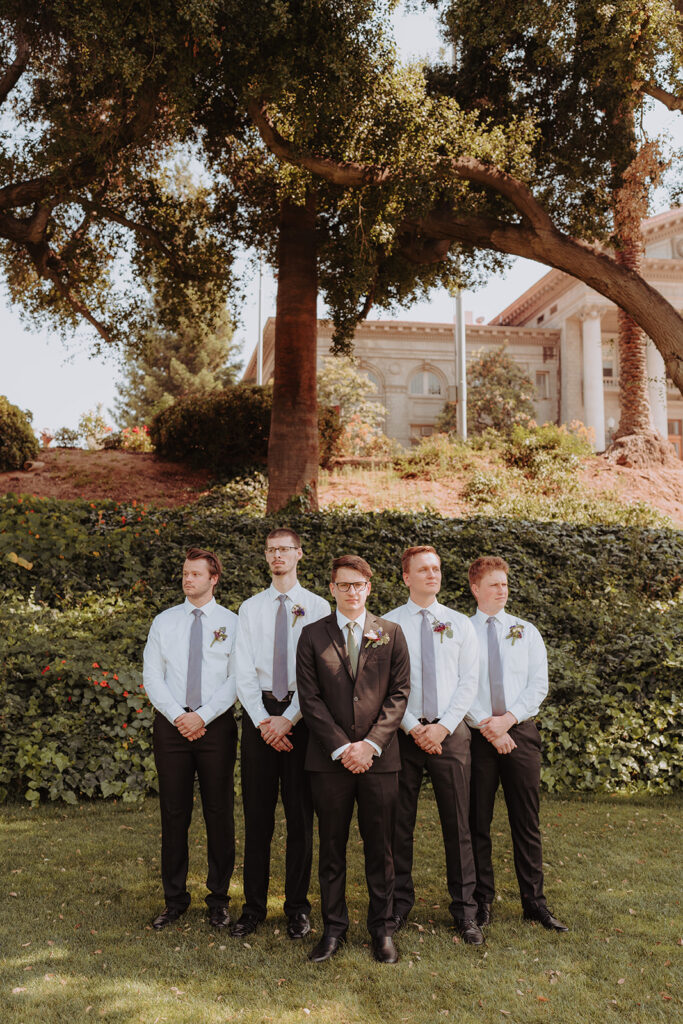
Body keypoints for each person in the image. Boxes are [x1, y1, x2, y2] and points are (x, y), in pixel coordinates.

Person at [296, 554, 411, 964]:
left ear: (369, 588)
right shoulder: (312, 635)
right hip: (329, 761)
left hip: (380, 760)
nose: (351, 592)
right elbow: (309, 699)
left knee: (381, 848)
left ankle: (381, 930)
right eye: (343, 585)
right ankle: (333, 928)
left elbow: (399, 695)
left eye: (358, 585)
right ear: (332, 589)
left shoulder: (391, 633)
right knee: (331, 846)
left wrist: (370, 745)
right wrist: (344, 748)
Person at [231, 528, 330, 940]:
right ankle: (253, 908)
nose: (277, 556)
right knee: (257, 818)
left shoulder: (319, 606)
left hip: (302, 719)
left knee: (300, 818)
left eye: (285, 550)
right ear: (265, 556)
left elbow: (321, 672)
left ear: (299, 554)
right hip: (260, 720)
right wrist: (262, 721)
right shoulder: (250, 608)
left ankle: (297, 908)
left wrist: (289, 718)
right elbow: (242, 668)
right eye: (271, 550)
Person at [383, 546, 482, 944]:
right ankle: (397, 904)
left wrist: (442, 727)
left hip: (451, 734)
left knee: (458, 823)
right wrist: (411, 727)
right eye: (423, 570)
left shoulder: (460, 624)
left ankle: (465, 911)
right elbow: (383, 685)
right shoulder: (386, 624)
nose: (432, 575)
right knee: (397, 824)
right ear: (406, 577)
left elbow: (468, 682)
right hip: (402, 734)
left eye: (437, 569)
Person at [466, 556, 568, 932]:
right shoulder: (461, 631)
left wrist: (507, 721)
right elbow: (460, 684)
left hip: (520, 732)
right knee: (478, 820)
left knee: (526, 820)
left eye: (505, 584)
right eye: (494, 584)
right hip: (476, 736)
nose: (502, 590)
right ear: (476, 588)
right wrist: (487, 726)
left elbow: (538, 685)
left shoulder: (527, 631)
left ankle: (534, 903)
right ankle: (481, 901)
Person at [143, 547, 238, 930]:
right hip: (171, 726)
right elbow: (152, 676)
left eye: (196, 574)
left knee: (219, 813)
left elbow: (237, 679)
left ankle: (218, 899)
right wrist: (181, 717)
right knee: (174, 812)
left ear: (213, 579)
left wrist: (202, 716)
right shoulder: (164, 622)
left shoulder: (232, 623)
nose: (188, 579)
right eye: (185, 573)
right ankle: (175, 898)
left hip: (215, 726)